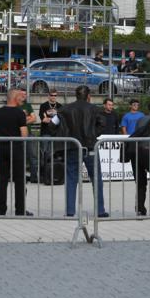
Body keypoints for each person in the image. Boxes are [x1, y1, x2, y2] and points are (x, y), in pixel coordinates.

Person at [52, 86, 108, 218]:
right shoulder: (94, 109)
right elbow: (102, 124)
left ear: (75, 96)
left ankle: (70, 210)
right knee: (96, 178)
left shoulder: (65, 109)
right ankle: (100, 210)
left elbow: (52, 124)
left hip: (72, 146)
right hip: (90, 146)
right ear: (88, 96)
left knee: (71, 179)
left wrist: (64, 134)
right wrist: (93, 134)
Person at [0, 89, 30, 216]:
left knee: (2, 180)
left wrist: (1, 132)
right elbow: (24, 134)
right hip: (16, 149)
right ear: (14, 97)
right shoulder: (20, 113)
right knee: (19, 180)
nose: (22, 99)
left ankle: (1, 210)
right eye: (20, 97)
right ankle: (20, 209)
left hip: (2, 148)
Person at [18, 88, 39, 182]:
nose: (23, 96)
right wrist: (27, 118)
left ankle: (34, 178)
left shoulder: (28, 105)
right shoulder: (15, 106)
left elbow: (34, 119)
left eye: (25, 94)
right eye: (21, 94)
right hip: (18, 135)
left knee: (33, 157)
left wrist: (22, 121)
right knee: (20, 158)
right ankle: (20, 178)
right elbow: (15, 121)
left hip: (29, 134)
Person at [38, 89, 62, 158]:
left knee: (52, 153)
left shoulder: (60, 106)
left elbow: (61, 120)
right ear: (48, 96)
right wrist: (55, 119)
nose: (53, 97)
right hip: (45, 132)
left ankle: (50, 168)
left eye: (55, 95)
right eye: (52, 95)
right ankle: (42, 168)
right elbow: (43, 119)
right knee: (43, 152)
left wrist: (48, 118)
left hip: (55, 133)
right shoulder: (43, 106)